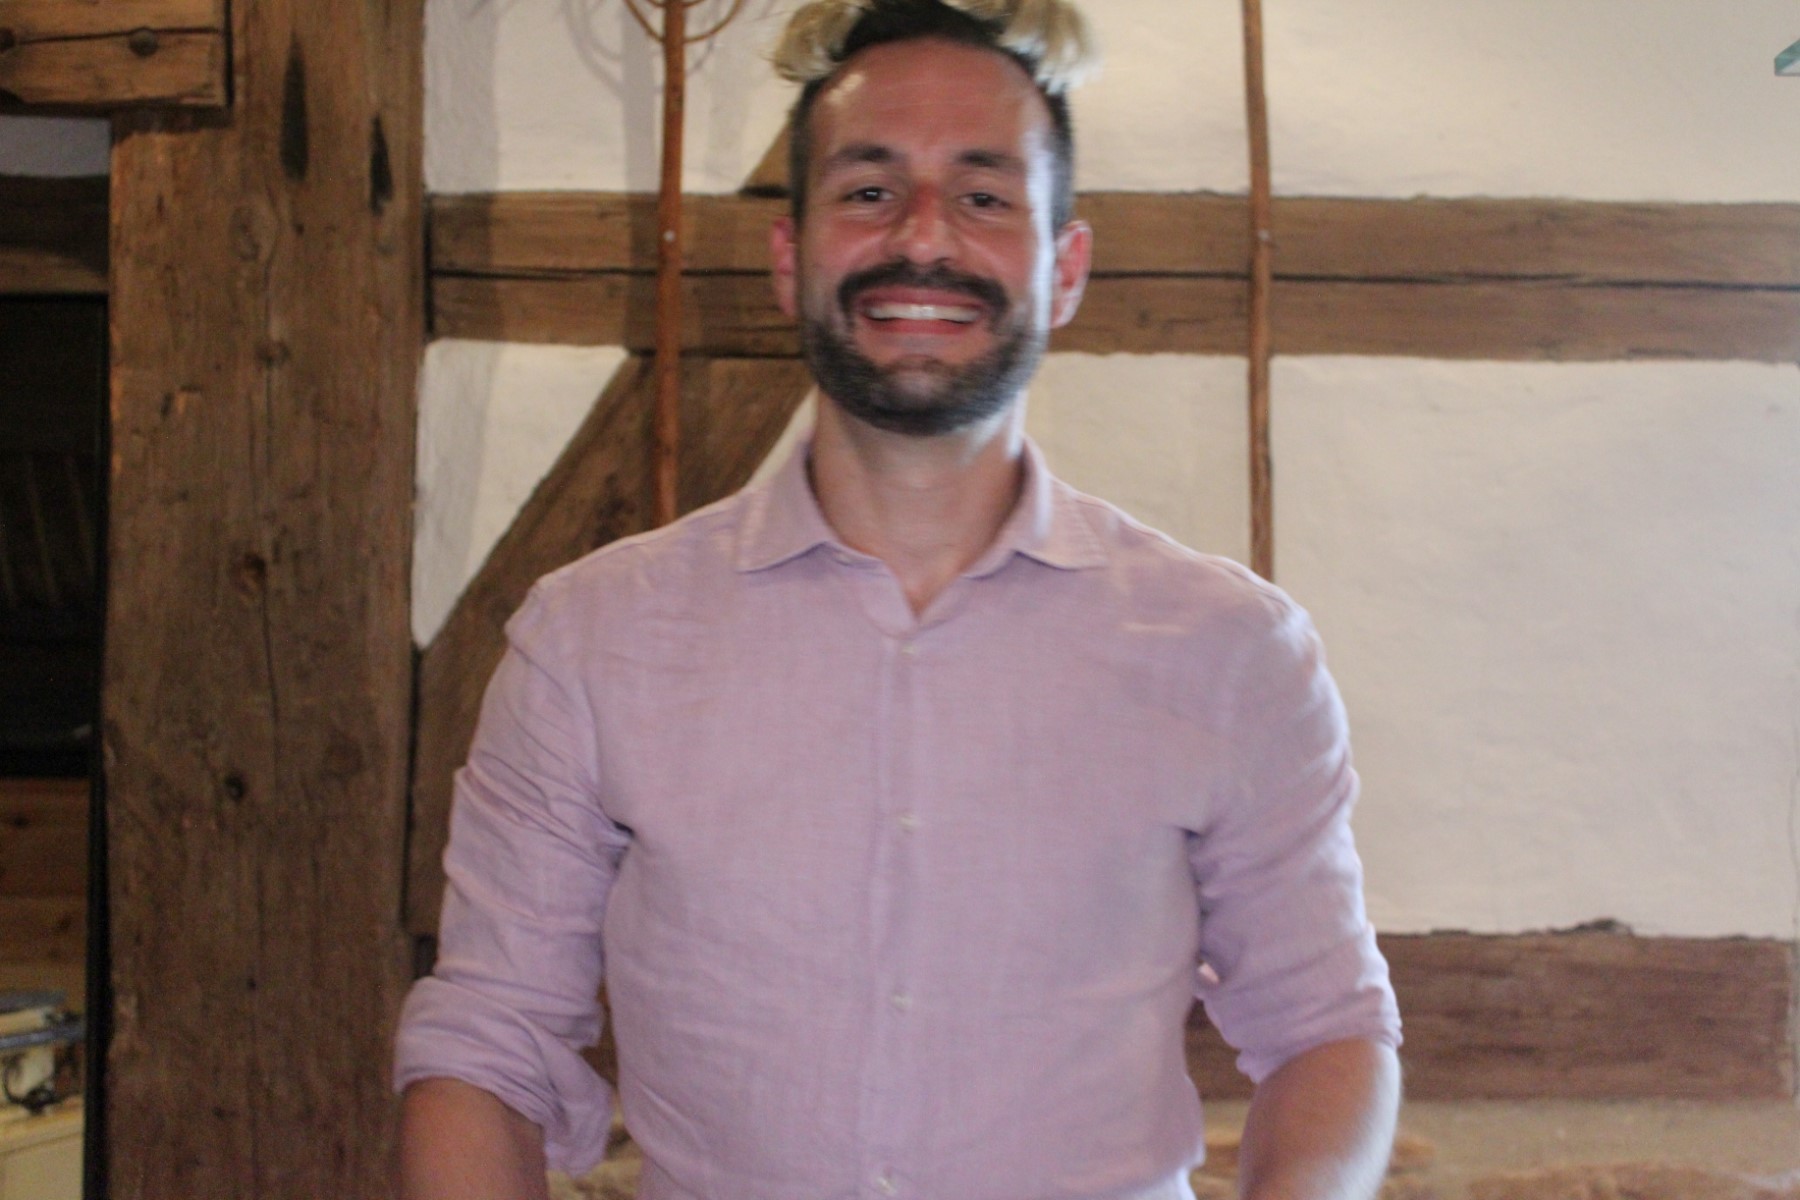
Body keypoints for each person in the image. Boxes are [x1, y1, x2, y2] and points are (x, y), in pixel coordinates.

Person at [395, 2, 1402, 1198]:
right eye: (869, 191)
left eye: (984, 195)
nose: (923, 237)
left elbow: (1326, 1031)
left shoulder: (1233, 653)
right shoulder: (589, 641)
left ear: (1065, 268)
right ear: (790, 261)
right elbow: (490, 1045)